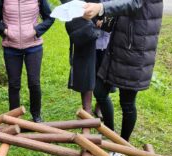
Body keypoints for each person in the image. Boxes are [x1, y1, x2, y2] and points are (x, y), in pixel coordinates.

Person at [83, 0, 163, 146]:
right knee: (99, 91)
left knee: (127, 103)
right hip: (117, 48)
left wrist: (101, 7)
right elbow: (121, 8)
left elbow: (133, 3)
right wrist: (98, 17)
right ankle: (110, 133)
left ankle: (123, 145)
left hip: (135, 52)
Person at [0, 0, 55, 123]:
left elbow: (50, 18)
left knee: (34, 83)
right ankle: (14, 117)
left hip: (33, 46)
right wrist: (6, 31)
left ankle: (36, 115)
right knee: (14, 84)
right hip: (11, 47)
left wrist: (36, 30)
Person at [63, 0, 100, 114]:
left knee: (103, 67)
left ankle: (101, 104)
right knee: (86, 70)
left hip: (103, 19)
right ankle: (87, 108)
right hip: (83, 24)